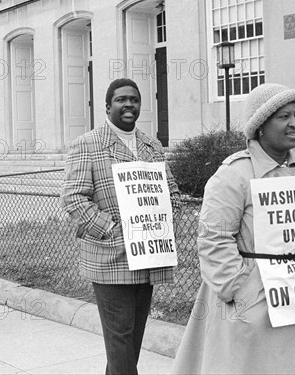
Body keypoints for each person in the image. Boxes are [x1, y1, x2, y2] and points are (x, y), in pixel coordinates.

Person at [172, 83, 295, 374]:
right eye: (284, 117)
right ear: (260, 125)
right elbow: (214, 239)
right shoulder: (233, 175)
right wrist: (239, 289)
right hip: (252, 304)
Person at [61, 78, 180, 374]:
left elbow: (172, 192)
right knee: (120, 338)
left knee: (130, 340)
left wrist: (162, 218)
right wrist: (113, 229)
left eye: (134, 100)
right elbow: (73, 198)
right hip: (110, 258)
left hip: (148, 255)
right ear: (107, 106)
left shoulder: (151, 145)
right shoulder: (88, 143)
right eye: (121, 99)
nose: (129, 104)